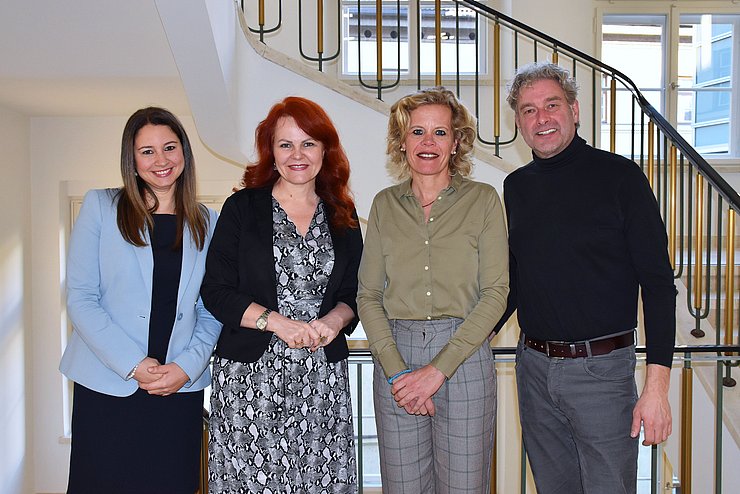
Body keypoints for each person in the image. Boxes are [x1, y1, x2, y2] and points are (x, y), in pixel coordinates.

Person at [495, 62, 676, 494]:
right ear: (519, 122)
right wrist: (471, 340)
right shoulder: (516, 186)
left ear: (575, 110)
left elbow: (658, 285)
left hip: (603, 375)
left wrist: (656, 389)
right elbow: (516, 281)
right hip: (533, 370)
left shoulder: (621, 178)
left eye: (551, 105)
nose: (542, 118)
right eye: (528, 110)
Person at [201, 96, 362, 493]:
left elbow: (355, 294)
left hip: (321, 377)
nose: (297, 155)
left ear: (325, 150)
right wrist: (279, 324)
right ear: (270, 153)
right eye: (285, 144)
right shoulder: (242, 207)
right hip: (248, 379)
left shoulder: (343, 212)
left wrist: (333, 321)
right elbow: (216, 291)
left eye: (308, 143)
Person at [59, 107, 221, 493]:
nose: (161, 160)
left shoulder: (208, 221)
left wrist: (185, 367)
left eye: (169, 147)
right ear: (131, 160)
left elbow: (211, 308)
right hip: (108, 386)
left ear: (184, 151)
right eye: (147, 151)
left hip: (177, 388)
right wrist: (133, 365)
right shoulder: (101, 207)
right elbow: (81, 298)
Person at [357, 87, 509, 494]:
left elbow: (496, 293)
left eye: (440, 133)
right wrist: (399, 372)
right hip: (396, 362)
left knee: (464, 486)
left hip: (463, 356)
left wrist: (437, 370)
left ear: (456, 142)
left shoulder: (484, 200)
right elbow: (367, 295)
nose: (428, 142)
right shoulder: (384, 205)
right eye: (417, 132)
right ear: (401, 142)